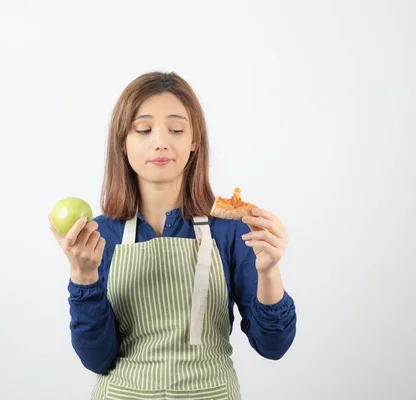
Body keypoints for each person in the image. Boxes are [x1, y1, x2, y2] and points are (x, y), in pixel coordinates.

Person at [48, 71, 297, 400]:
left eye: (176, 129)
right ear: (123, 141)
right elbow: (97, 358)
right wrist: (83, 277)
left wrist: (269, 271)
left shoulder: (230, 228)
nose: (161, 142)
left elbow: (272, 346)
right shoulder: (99, 234)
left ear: (194, 140)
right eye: (144, 129)